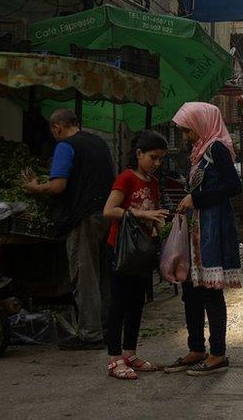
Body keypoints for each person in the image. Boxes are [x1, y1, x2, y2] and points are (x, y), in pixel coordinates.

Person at [21, 109, 114, 351]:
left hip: (81, 217)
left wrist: (35, 187)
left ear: (56, 128)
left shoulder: (65, 146)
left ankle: (90, 333)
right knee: (102, 274)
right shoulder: (99, 143)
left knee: (84, 274)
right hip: (104, 214)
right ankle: (106, 327)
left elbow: (58, 186)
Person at [164, 102, 243, 376]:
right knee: (192, 292)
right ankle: (196, 347)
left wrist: (196, 198)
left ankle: (218, 353)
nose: (185, 136)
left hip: (211, 227)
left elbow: (234, 185)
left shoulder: (217, 148)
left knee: (210, 292)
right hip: (196, 228)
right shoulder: (199, 152)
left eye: (188, 130)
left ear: (201, 124)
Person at [102, 131, 170, 379]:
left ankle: (130, 354)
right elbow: (109, 210)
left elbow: (153, 214)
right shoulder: (126, 178)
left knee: (136, 304)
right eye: (153, 157)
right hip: (121, 249)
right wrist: (142, 215)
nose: (157, 163)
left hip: (143, 251)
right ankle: (114, 359)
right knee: (118, 304)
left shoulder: (153, 181)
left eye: (160, 159)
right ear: (139, 154)